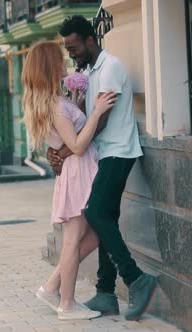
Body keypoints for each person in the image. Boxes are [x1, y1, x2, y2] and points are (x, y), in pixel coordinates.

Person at [46, 15, 158, 321]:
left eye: (73, 46)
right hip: (100, 153)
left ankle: (136, 279)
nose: (71, 53)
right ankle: (106, 293)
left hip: (118, 151)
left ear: (90, 39)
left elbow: (102, 119)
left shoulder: (110, 67)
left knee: (96, 213)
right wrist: (59, 149)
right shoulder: (89, 70)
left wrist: (67, 151)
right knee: (104, 218)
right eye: (67, 48)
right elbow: (81, 119)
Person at [22, 41, 117, 320]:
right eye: (60, 60)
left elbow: (66, 136)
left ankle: (52, 287)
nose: (65, 63)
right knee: (73, 240)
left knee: (96, 235)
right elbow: (76, 146)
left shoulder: (56, 102)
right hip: (79, 171)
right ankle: (67, 304)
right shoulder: (55, 106)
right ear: (50, 67)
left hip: (77, 172)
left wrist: (76, 103)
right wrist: (97, 111)